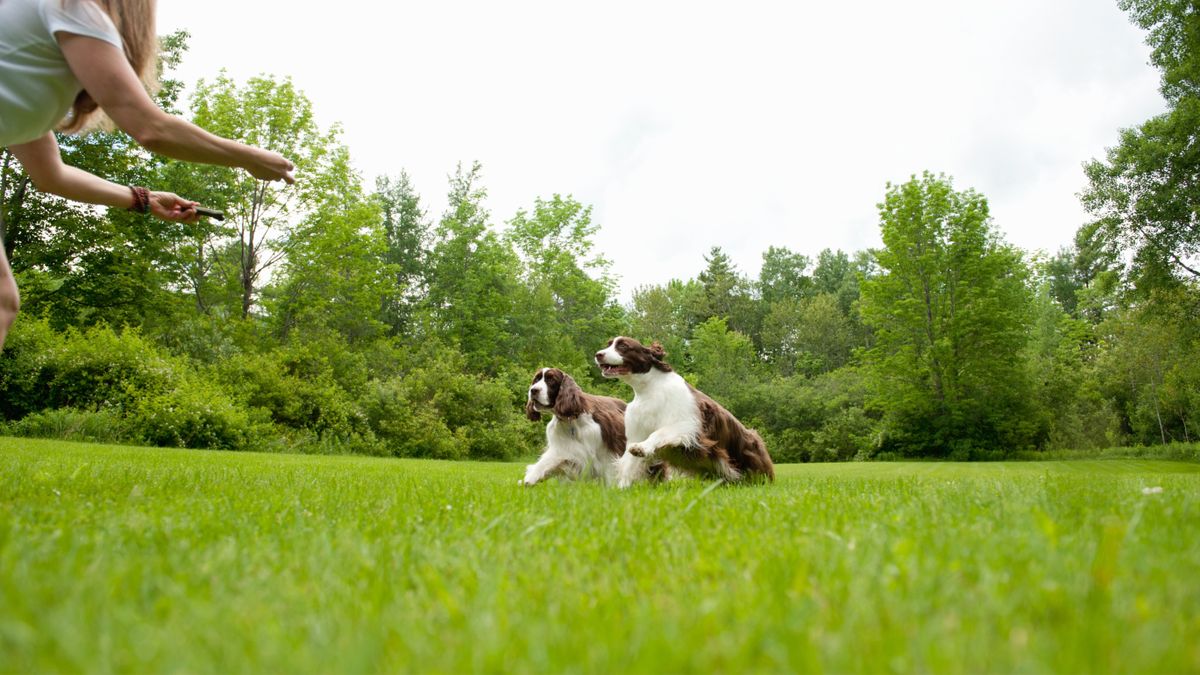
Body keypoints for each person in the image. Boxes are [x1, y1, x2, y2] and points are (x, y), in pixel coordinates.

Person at [0, 0, 296, 350]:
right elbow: (151, 128)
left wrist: (145, 199)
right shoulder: (74, 6)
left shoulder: (22, 68)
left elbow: (52, 175)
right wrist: (248, 157)